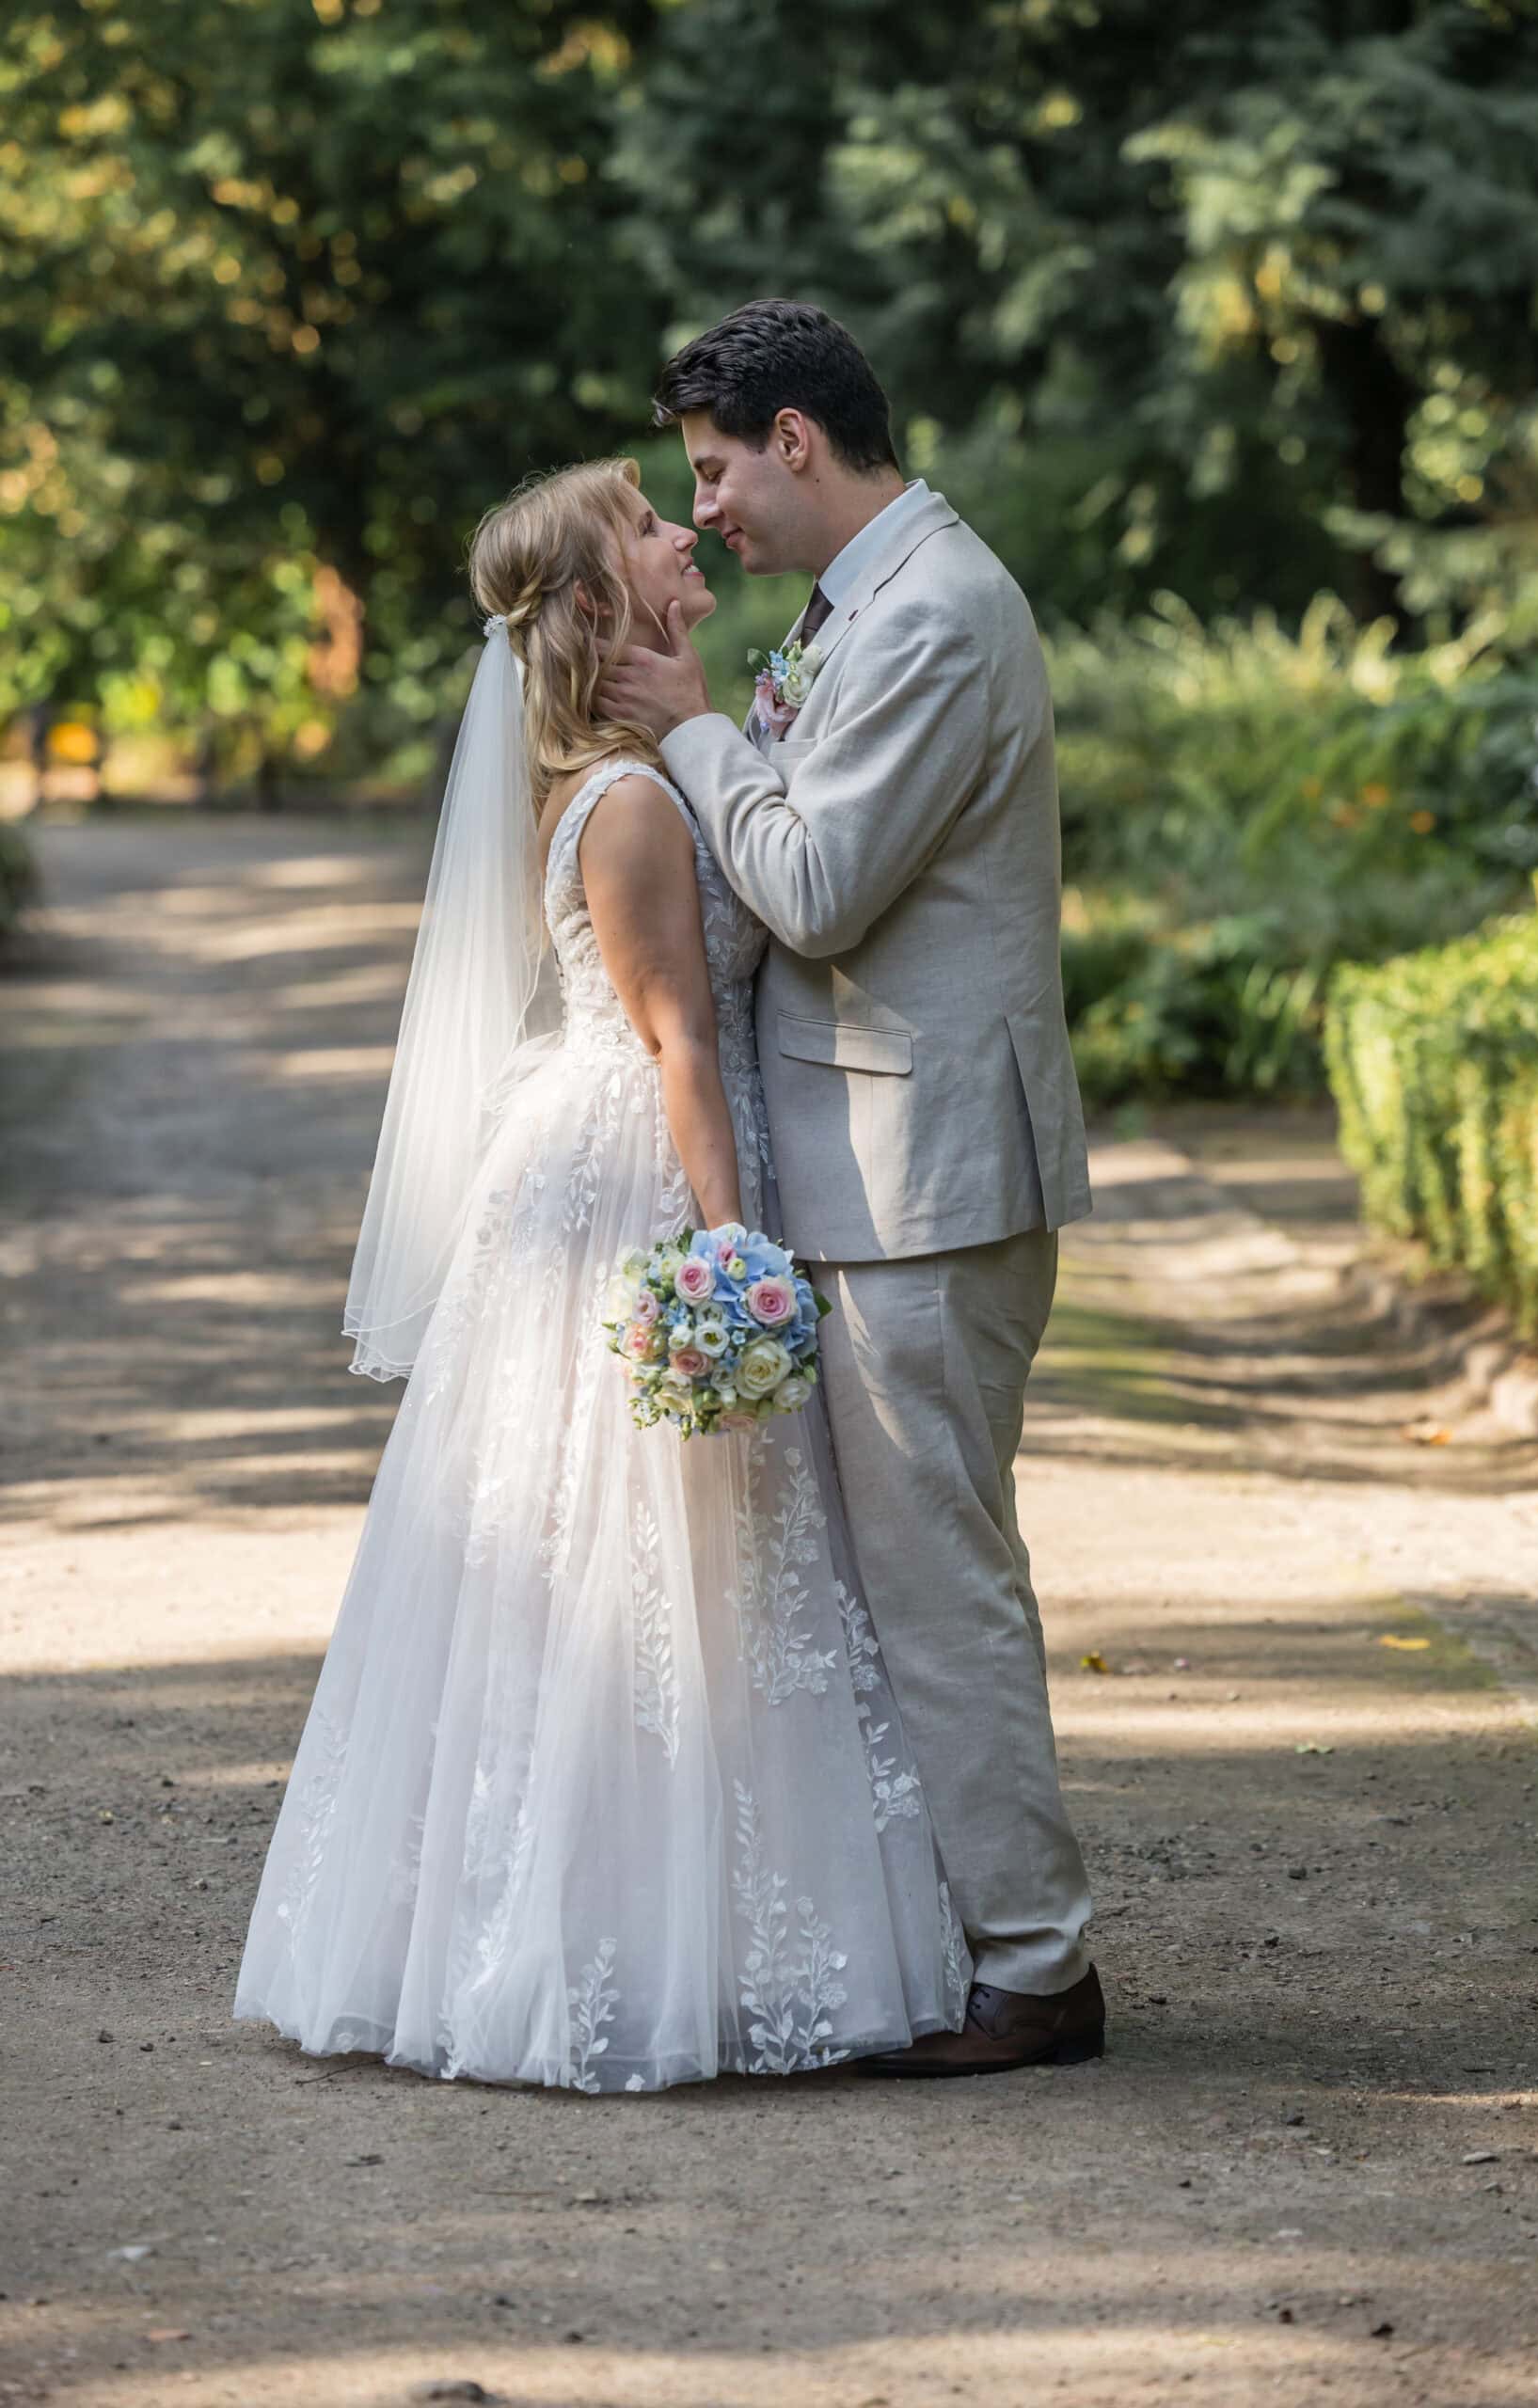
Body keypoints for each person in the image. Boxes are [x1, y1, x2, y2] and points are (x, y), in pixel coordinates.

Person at [233, 457, 969, 2092]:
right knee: (642, 1561)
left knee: (667, 1564)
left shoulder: (648, 763)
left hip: (617, 1153)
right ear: (592, 606)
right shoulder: (629, 802)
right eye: (645, 525)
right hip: (638, 1178)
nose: (680, 532)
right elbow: (678, 1040)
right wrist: (735, 1269)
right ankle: (619, 1939)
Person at [598, 298, 1102, 2076]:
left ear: (796, 440)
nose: (710, 510)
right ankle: (987, 1939)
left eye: (719, 469)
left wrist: (690, 731)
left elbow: (812, 884)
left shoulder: (944, 616)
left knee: (943, 1582)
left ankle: (1037, 1974)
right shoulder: (856, 605)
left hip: (927, 1181)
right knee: (921, 1579)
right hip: (873, 1167)